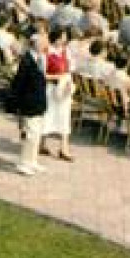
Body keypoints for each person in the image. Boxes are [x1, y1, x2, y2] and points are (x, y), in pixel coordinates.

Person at [6, 32, 50, 176]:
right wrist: (18, 105)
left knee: (37, 134)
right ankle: (24, 162)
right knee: (30, 135)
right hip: (29, 103)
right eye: (43, 42)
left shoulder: (40, 58)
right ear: (36, 44)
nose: (46, 44)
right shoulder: (27, 61)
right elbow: (19, 84)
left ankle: (32, 161)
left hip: (38, 102)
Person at [41, 31, 75, 161]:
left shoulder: (66, 52)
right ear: (56, 39)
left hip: (63, 89)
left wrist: (68, 82)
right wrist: (59, 76)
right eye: (63, 37)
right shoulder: (47, 52)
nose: (65, 40)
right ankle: (42, 144)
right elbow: (42, 74)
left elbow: (69, 69)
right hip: (50, 89)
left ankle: (64, 148)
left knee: (64, 118)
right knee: (47, 116)